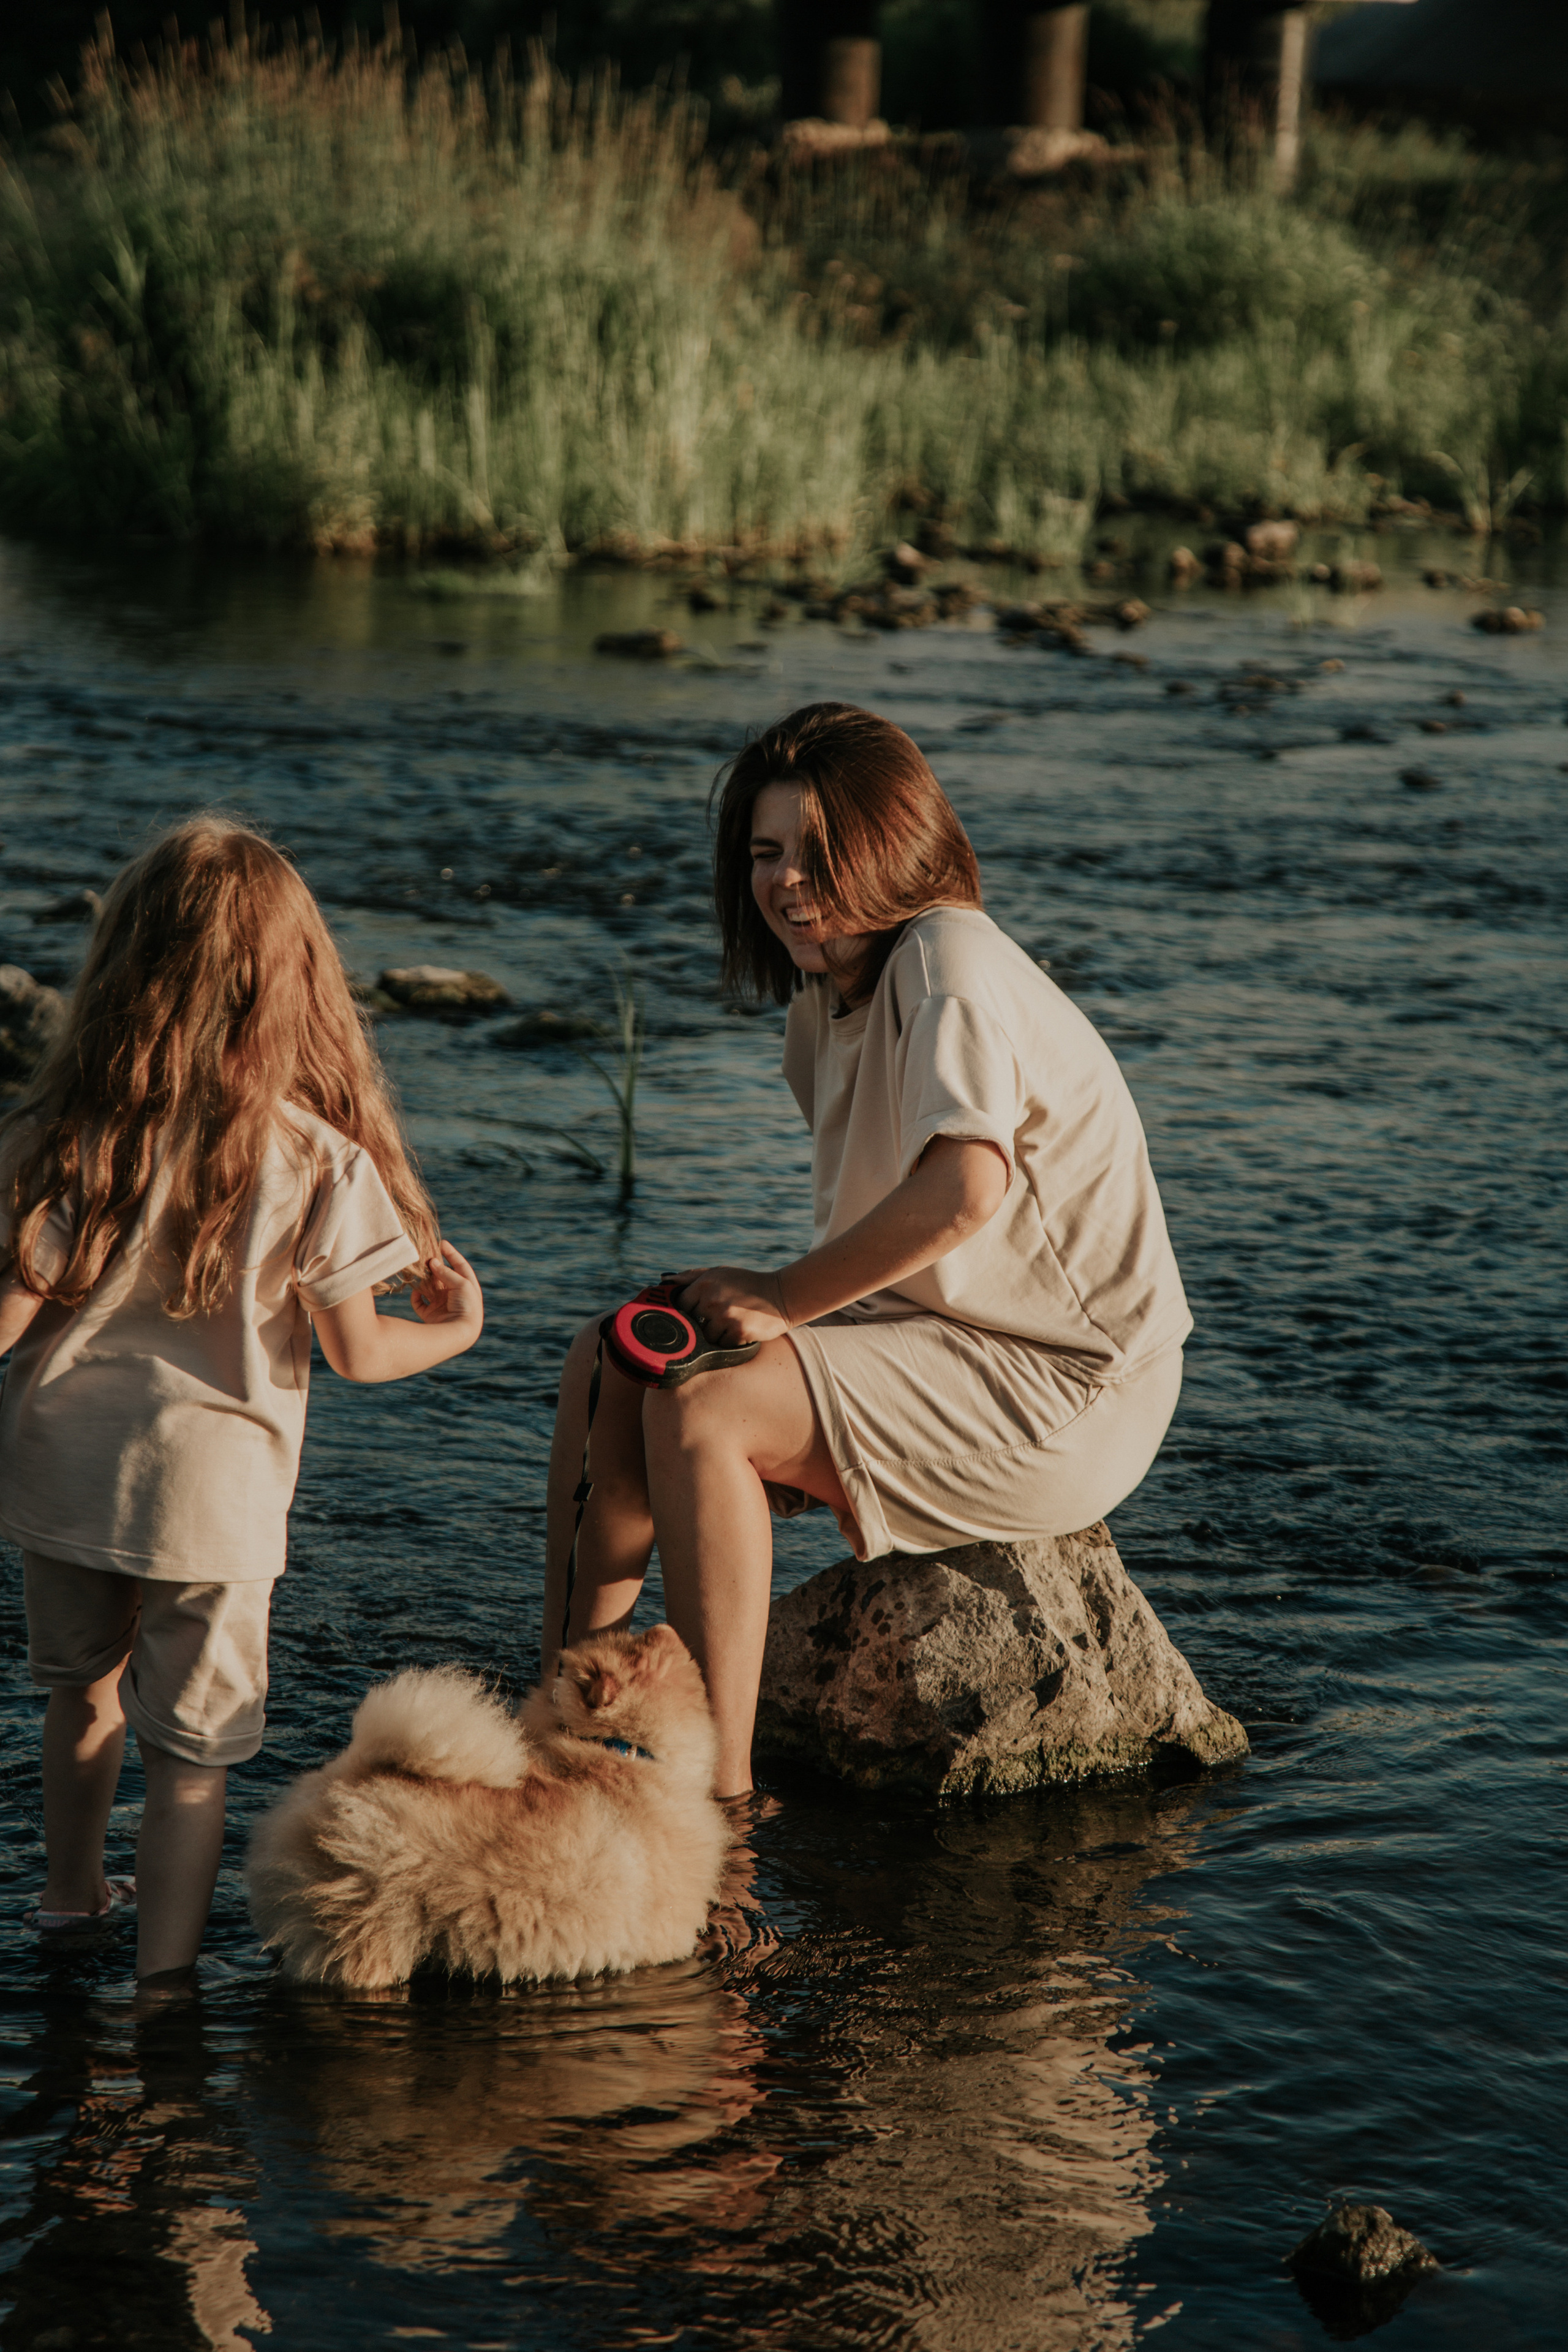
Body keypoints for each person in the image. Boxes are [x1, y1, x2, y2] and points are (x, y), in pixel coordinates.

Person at [546, 701, 1191, 1800]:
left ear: (893, 847)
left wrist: (788, 1300)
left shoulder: (948, 959)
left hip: (1074, 1384)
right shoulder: (824, 1000)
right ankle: (560, 1730)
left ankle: (721, 1806)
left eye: (820, 852)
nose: (788, 881)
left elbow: (965, 1189)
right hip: (946, 1334)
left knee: (706, 1410)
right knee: (614, 1357)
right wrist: (773, 1313)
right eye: (765, 853)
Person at [0, 818, 484, 1984]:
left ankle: (70, 1904)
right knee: (196, 1763)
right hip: (214, 1512)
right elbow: (361, 1356)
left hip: (62, 1479)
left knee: (80, 1695)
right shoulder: (318, 1159)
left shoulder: (62, 1137)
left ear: (122, 968)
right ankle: (163, 1988)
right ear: (296, 988)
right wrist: (457, 1326)